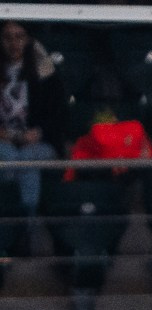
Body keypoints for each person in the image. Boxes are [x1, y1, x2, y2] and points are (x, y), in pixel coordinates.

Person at [1, 20, 70, 215]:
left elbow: (60, 114)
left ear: (29, 39)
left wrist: (38, 133)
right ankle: (11, 221)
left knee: (27, 160)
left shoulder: (44, 73)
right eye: (7, 37)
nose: (14, 43)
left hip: (38, 141)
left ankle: (24, 222)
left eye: (19, 37)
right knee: (10, 157)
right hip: (3, 140)